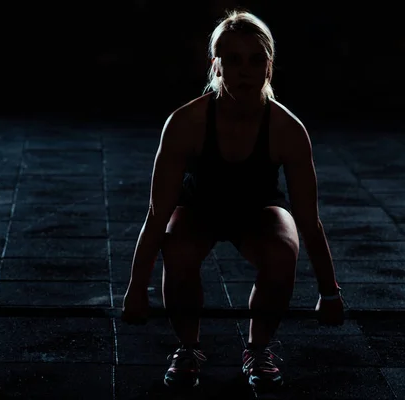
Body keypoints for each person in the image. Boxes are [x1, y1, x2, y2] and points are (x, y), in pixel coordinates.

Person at [122, 9, 344, 392]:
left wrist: (329, 292)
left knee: (283, 248)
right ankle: (188, 348)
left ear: (269, 67)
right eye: (234, 60)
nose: (245, 70)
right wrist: (135, 289)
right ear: (216, 65)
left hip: (258, 210)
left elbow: (310, 221)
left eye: (256, 59)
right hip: (198, 208)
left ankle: (258, 350)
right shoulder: (185, 124)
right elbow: (157, 215)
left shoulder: (287, 130)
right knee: (177, 250)